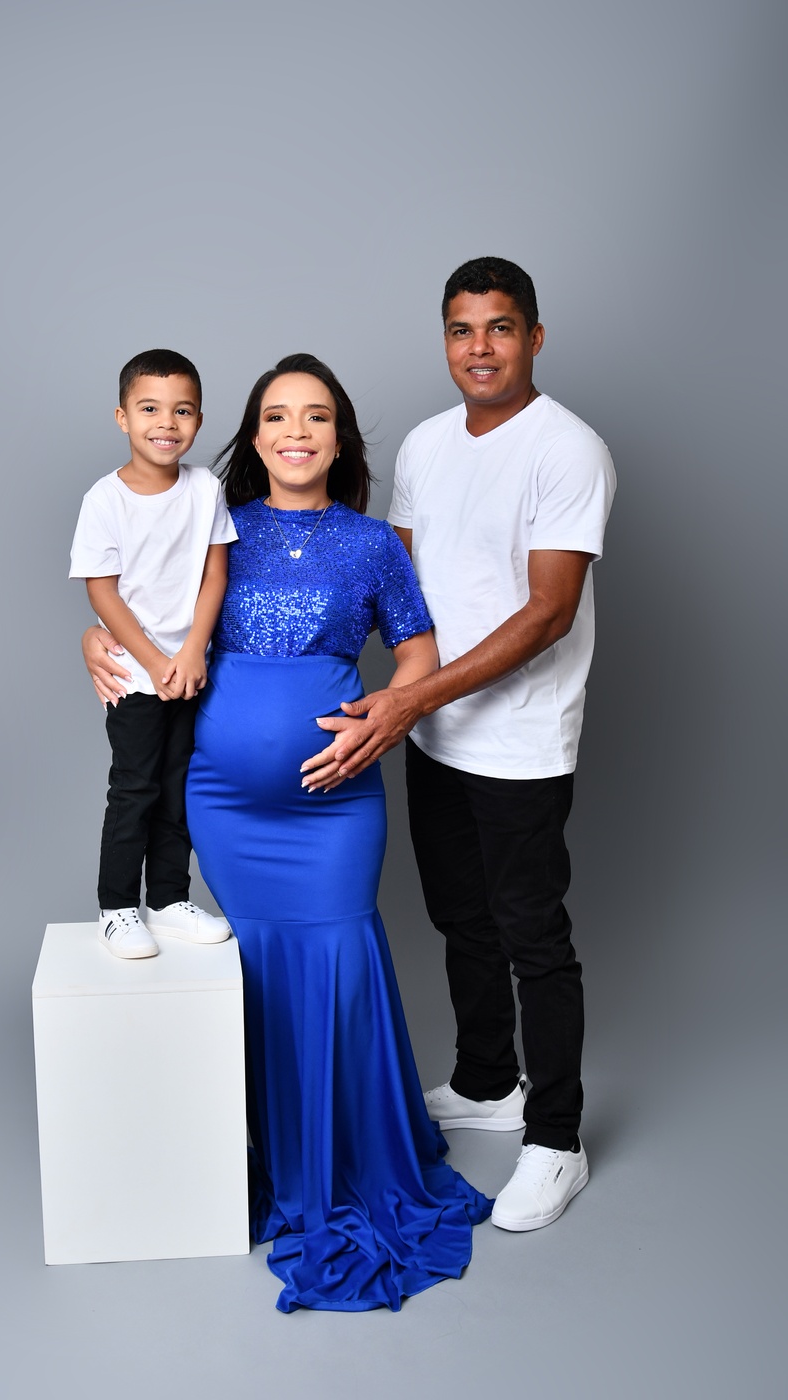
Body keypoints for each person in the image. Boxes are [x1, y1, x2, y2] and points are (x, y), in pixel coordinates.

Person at [85, 353, 491, 1312]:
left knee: (339, 957)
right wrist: (93, 638)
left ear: (339, 437)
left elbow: (419, 651)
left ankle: (349, 1160)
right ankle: (278, 1153)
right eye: (276, 416)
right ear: (254, 436)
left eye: (315, 416)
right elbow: (134, 599)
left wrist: (381, 720)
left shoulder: (372, 544)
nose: (295, 432)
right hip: (223, 803)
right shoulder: (213, 523)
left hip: (334, 807)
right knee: (259, 973)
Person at [304, 258, 616, 1233]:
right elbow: (392, 586)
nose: (479, 348)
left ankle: (556, 1140)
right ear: (445, 339)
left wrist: (405, 701)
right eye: (461, 329)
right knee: (459, 915)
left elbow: (547, 613)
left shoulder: (568, 449)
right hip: (435, 731)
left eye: (500, 327)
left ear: (534, 337)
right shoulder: (428, 445)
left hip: (520, 742)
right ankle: (487, 1080)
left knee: (532, 936)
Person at [70, 348, 237, 959]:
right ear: (122, 417)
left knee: (178, 788)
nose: (167, 423)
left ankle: (168, 901)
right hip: (134, 675)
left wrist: (191, 652)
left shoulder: (205, 488)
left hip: (191, 671)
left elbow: (215, 574)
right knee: (134, 788)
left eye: (182, 411)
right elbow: (102, 591)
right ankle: (117, 909)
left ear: (198, 420)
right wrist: (155, 662)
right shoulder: (104, 500)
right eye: (149, 409)